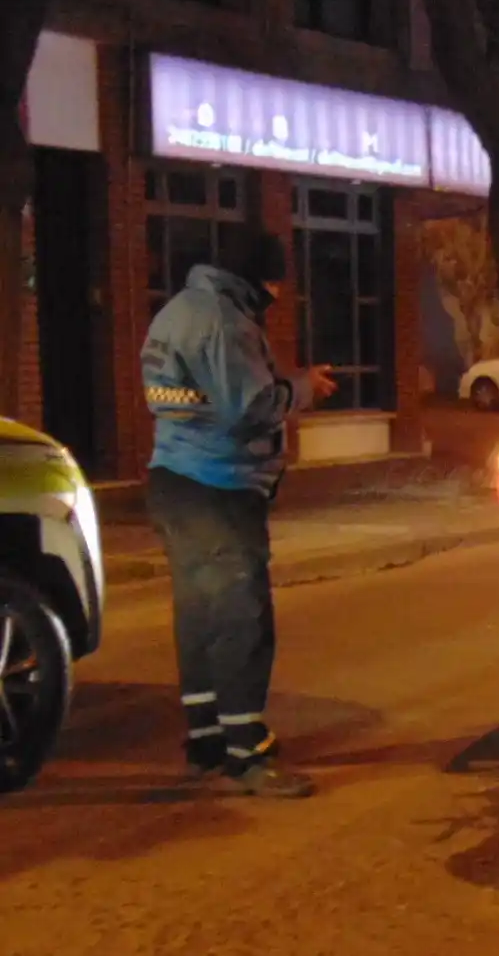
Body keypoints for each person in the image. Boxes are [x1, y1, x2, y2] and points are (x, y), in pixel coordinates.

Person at [141, 225, 336, 798]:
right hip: (217, 485)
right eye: (274, 280)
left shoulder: (179, 310)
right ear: (258, 276)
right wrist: (302, 387)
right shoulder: (223, 321)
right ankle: (247, 752)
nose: (277, 292)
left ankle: (206, 738)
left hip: (176, 479)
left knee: (201, 615)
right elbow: (249, 406)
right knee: (241, 618)